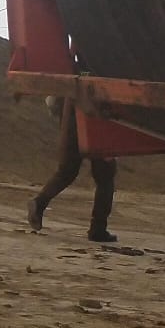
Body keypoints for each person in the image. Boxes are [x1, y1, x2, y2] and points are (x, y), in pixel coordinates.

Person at [27, 96, 117, 243]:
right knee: (105, 176)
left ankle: (39, 203)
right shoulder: (94, 72)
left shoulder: (71, 73)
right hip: (95, 117)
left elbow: (53, 99)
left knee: (66, 172)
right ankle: (98, 229)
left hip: (70, 115)